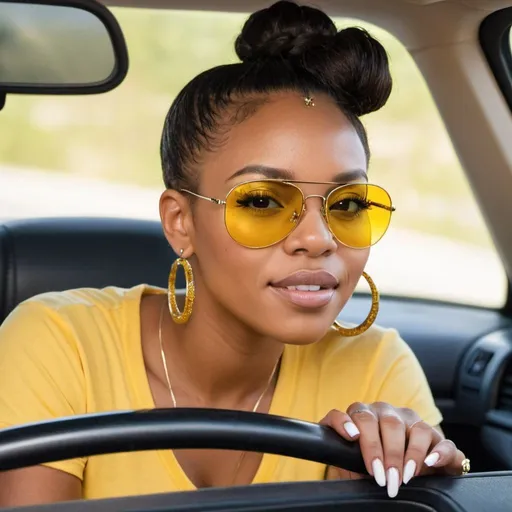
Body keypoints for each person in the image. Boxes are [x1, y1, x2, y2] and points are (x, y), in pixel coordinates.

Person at [0, 0, 469, 506]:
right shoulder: (59, 346)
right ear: (181, 223)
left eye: (349, 203)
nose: (318, 238)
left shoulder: (378, 370)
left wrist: (394, 489)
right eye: (263, 201)